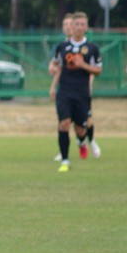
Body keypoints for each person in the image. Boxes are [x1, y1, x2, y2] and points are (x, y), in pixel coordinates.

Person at [51, 11, 102, 172]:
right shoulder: (62, 47)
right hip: (65, 92)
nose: (79, 27)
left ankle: (81, 142)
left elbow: (98, 71)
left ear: (86, 27)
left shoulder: (92, 48)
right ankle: (65, 161)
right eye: (76, 24)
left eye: (82, 24)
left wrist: (83, 65)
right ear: (71, 27)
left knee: (81, 129)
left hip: (82, 93)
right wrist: (52, 71)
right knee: (64, 124)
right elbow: (56, 64)